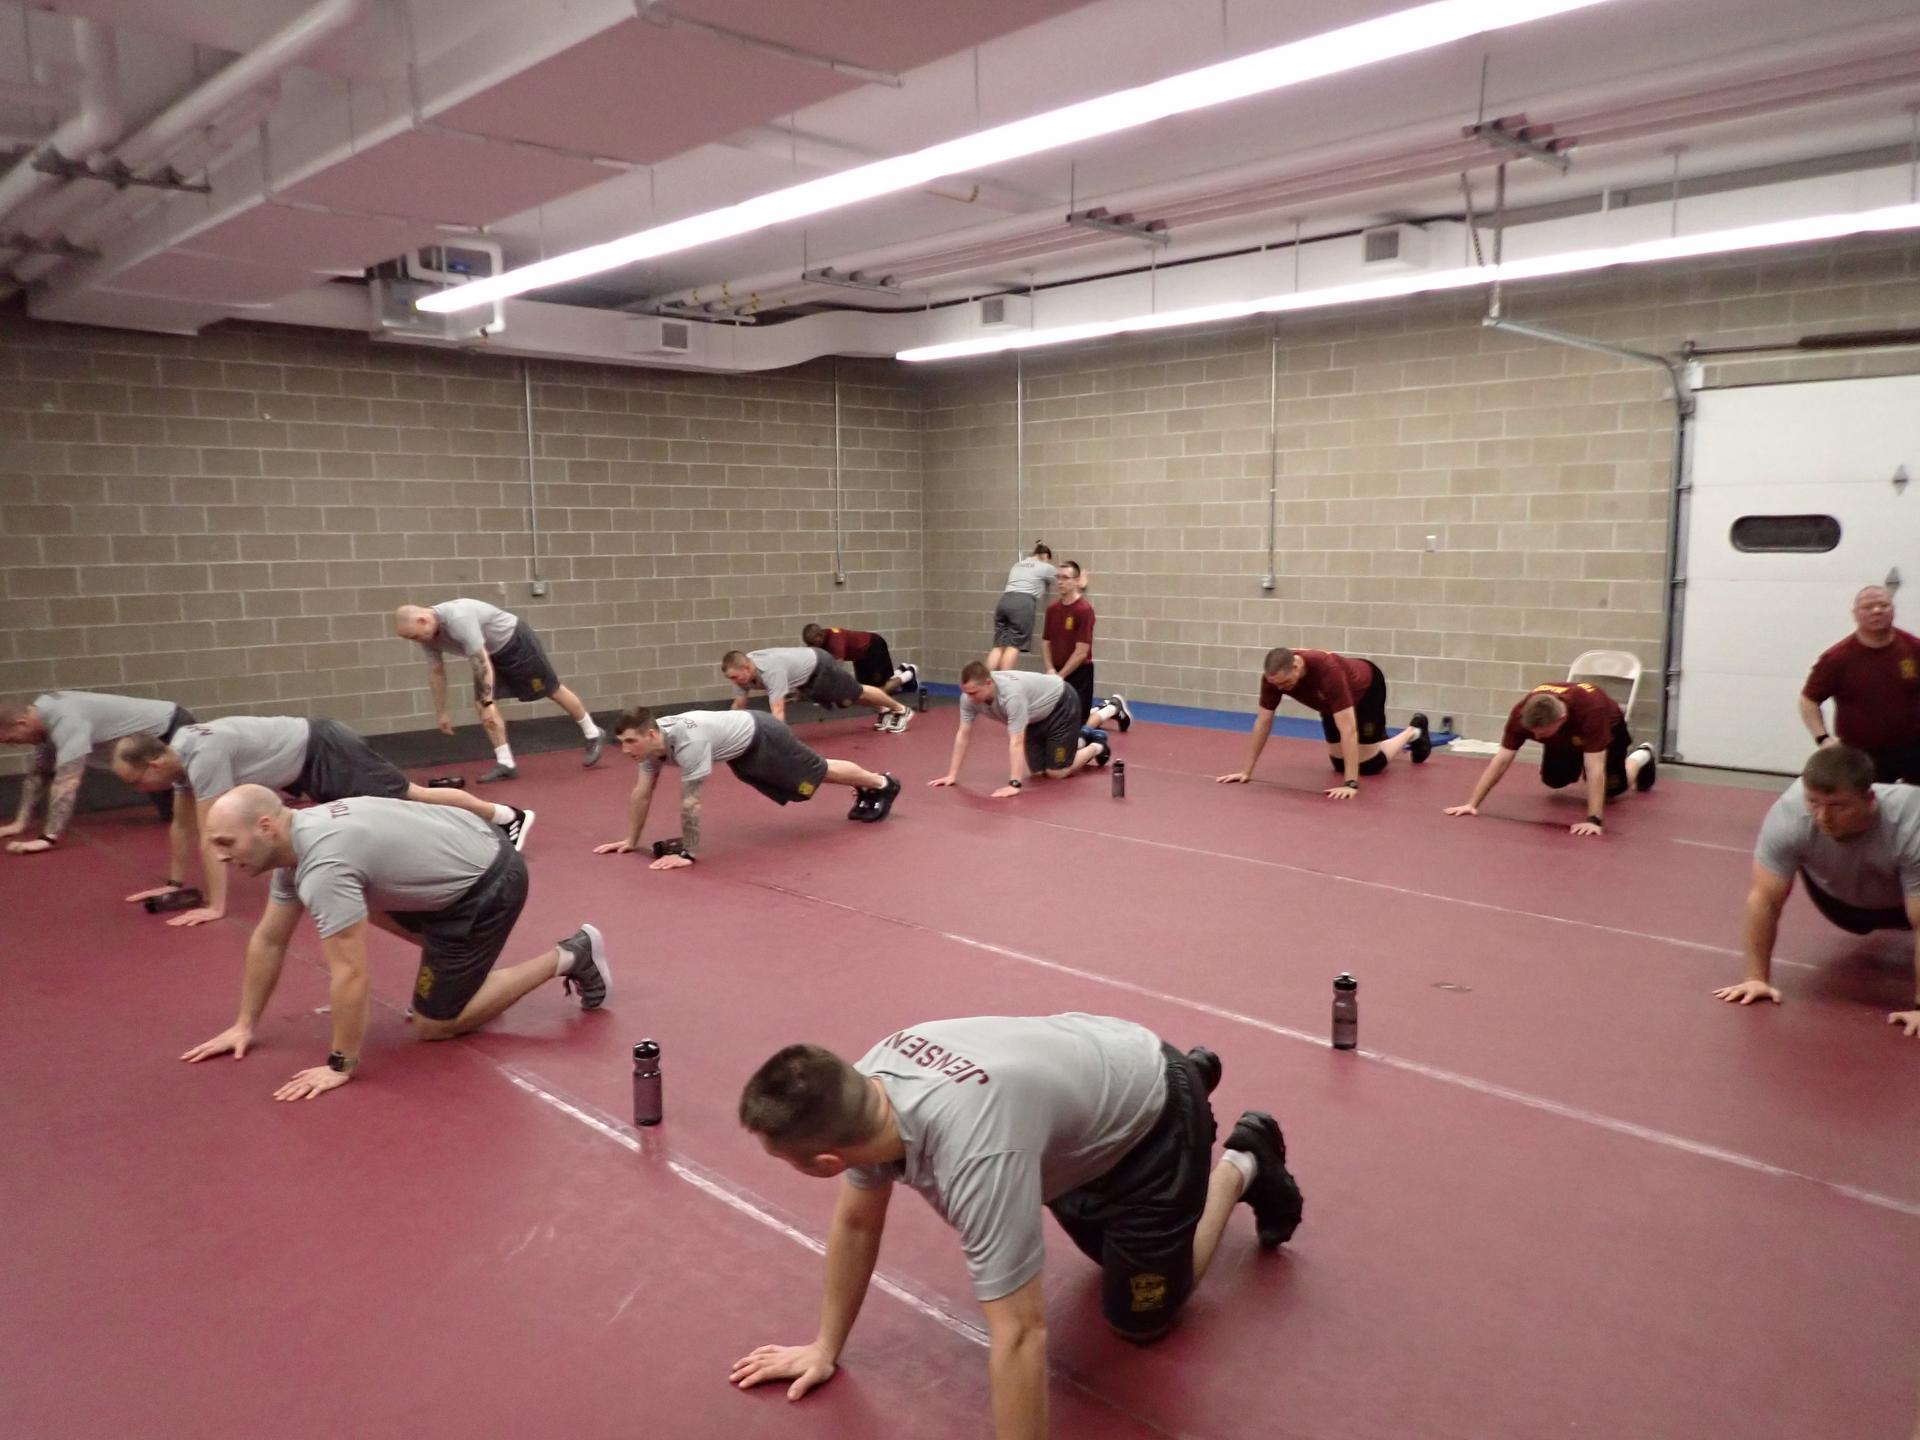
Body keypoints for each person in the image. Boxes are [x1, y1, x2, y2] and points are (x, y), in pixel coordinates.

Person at [730, 1013, 1303, 1436]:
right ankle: (1180, 1083)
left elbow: (1021, 1335)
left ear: (825, 1164)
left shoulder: (977, 1159)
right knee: (1092, 1233)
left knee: (1139, 1317)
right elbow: (857, 1224)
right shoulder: (866, 1085)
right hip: (1087, 1076)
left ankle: (1240, 1163)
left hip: (1151, 1126)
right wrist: (825, 1346)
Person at [180, 786, 610, 1101]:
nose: (219, 856)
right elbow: (270, 940)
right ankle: (451, 972)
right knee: (351, 902)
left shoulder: (324, 866)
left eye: (226, 842)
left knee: (434, 1025)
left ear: (266, 827)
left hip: (489, 883)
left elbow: (351, 973)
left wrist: (340, 1064)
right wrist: (244, 1024)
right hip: (460, 849)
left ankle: (571, 954)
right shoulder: (296, 844)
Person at [113, 716, 533, 927]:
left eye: (137, 782)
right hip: (308, 764)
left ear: (154, 763)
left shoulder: (201, 755)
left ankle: (506, 816)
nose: (140, 789)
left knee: (410, 797)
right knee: (387, 812)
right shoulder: (180, 758)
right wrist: (171, 885)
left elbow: (211, 835)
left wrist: (216, 907)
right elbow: (182, 827)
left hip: (326, 750)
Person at [1713, 745, 1920, 1038]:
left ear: (1870, 798)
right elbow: (1764, 898)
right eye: (1814, 803)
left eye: (1837, 806)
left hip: (1900, 903)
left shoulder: (1912, 819)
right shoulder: (1791, 813)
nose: (1823, 817)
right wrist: (1756, 978)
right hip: (1837, 903)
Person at [593, 705, 900, 869]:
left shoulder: (689, 743)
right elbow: (641, 792)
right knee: (807, 782)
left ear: (649, 734)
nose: (625, 750)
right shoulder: (650, 749)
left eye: (630, 741)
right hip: (743, 748)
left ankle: (883, 783)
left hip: (763, 734)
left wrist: (688, 853)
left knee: (817, 772)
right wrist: (630, 840)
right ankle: (869, 784)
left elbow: (691, 802)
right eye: (621, 743)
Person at [393, 599, 604, 782]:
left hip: (514, 643)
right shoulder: (427, 637)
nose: (417, 641)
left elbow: (481, 661)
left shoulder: (458, 618)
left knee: (551, 689)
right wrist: (441, 711)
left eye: (414, 637)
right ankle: (506, 763)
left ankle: (593, 733)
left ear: (423, 620)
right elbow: (436, 672)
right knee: (482, 705)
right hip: (488, 654)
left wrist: (487, 700)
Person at [1445, 680, 1656, 836]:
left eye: (1541, 734)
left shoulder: (1592, 713)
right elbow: (1501, 760)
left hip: (1609, 727)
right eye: (1533, 733)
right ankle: (1565, 750)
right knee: (1554, 779)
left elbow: (1595, 769)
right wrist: (1472, 803)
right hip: (1566, 734)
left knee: (1612, 788)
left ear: (1561, 719)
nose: (1536, 738)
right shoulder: (1522, 714)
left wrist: (1594, 819)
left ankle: (1642, 755)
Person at [0, 690, 195, 854]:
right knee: (172, 815)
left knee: (192, 812)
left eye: (11, 740)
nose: (14, 746)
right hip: (145, 743)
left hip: (171, 726)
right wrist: (20, 823)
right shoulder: (43, 720)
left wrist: (48, 837)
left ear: (22, 723)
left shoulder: (66, 720)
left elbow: (67, 782)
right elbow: (38, 774)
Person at [1217, 647, 1429, 797]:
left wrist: (1351, 784)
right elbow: (1263, 721)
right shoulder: (1274, 679)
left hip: (1365, 691)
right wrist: (1246, 771)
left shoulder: (1328, 671)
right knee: (1340, 764)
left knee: (1369, 765)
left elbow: (1348, 730)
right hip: (1328, 703)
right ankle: (1376, 745)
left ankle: (1414, 731)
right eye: (1277, 685)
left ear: (1296, 666)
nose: (1281, 689)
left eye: (1286, 683)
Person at [1798, 585, 1920, 784]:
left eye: (1883, 605)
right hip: (1862, 755)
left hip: (1914, 749)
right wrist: (1823, 739)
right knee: (1869, 808)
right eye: (1868, 607)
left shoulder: (1914, 648)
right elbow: (1808, 701)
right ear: (1855, 614)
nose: (1877, 611)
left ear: (1893, 610)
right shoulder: (1837, 658)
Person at [931, 662, 1109, 798]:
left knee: (1056, 772)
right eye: (966, 692)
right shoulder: (968, 699)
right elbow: (963, 734)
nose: (969, 698)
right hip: (1034, 716)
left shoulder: (1011, 696)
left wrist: (1014, 784)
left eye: (974, 692)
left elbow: (1016, 741)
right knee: (1038, 774)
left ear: (988, 683)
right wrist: (951, 775)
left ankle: (1097, 746)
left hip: (1062, 704)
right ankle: (1081, 737)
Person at [722, 647, 910, 733]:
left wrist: (776, 743)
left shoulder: (771, 671)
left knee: (856, 691)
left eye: (734, 677)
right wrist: (726, 731)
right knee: (846, 699)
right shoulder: (742, 675)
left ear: (747, 668)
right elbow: (740, 703)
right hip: (806, 678)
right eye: (730, 678)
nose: (734, 682)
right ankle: (883, 709)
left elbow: (778, 712)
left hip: (820, 665)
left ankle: (901, 709)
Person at [1043, 561, 1130, 733]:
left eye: (1065, 578)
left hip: (1079, 673)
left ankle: (1112, 708)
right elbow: (1046, 642)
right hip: (1057, 672)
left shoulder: (1084, 610)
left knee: (1078, 729)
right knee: (1056, 722)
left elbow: (1081, 652)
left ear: (1076, 581)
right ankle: (1109, 707)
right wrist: (1050, 669)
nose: (1060, 582)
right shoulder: (1052, 609)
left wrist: (1060, 676)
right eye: (1058, 577)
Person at [988, 542, 1057, 671]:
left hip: (1004, 601)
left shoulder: (1017, 565)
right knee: (1013, 645)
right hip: (1023, 603)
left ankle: (986, 681)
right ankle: (1005, 681)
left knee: (999, 645)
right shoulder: (1044, 567)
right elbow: (1062, 578)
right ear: (1045, 556)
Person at [800, 624, 911, 698]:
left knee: (880, 691)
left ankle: (909, 673)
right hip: (859, 656)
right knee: (864, 690)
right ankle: (901, 670)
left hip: (873, 647)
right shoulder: (819, 642)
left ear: (820, 636)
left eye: (812, 643)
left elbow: (837, 668)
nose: (810, 646)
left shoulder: (835, 639)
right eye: (808, 643)